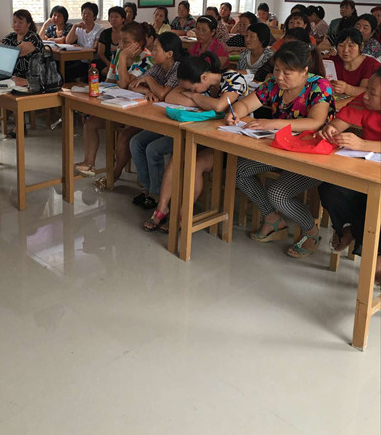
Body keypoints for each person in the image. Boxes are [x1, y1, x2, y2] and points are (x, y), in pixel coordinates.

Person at [228, 40, 336, 258]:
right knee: (239, 171)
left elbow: (315, 122)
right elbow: (246, 104)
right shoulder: (273, 85)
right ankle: (273, 219)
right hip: (280, 149)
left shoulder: (319, 86)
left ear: (304, 71)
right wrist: (236, 113)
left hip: (313, 154)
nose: (279, 77)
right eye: (277, 70)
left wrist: (274, 123)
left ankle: (311, 233)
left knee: (278, 193)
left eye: (287, 73)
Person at [137, 52, 248, 230]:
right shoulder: (202, 82)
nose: (192, 92)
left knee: (195, 164)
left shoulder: (234, 79)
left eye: (193, 88)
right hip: (205, 134)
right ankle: (162, 209)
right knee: (177, 156)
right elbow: (171, 97)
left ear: (204, 77)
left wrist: (195, 97)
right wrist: (205, 102)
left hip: (232, 142)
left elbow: (220, 106)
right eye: (190, 90)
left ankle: (182, 215)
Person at [93, 32, 185, 200]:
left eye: (156, 49)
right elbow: (131, 86)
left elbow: (164, 94)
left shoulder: (178, 68)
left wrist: (149, 81)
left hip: (176, 124)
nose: (152, 51)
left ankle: (156, 194)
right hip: (159, 117)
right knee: (135, 142)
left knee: (150, 148)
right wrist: (147, 91)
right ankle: (147, 189)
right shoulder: (158, 67)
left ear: (169, 54)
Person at [318, 68, 381, 284]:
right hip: (365, 171)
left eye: (372, 93)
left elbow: (363, 145)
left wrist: (363, 144)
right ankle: (356, 232)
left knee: (376, 203)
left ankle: (365, 244)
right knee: (330, 189)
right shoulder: (363, 102)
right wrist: (331, 130)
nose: (365, 95)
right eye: (367, 89)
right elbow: (338, 123)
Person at [75, 22, 153, 181]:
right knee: (90, 123)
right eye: (120, 41)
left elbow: (124, 83)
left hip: (138, 111)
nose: (121, 45)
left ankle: (114, 174)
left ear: (138, 44)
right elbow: (110, 81)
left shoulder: (147, 59)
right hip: (117, 105)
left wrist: (123, 58)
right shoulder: (118, 53)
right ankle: (89, 163)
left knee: (124, 137)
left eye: (126, 42)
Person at [0, 9, 44, 122]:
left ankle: (19, 127)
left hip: (32, 78)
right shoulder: (11, 36)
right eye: (14, 22)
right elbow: (0, 49)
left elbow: (16, 52)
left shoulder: (33, 38)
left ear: (28, 24)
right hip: (12, 76)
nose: (16, 25)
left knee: (7, 89)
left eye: (20, 22)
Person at [254, 28, 325, 83]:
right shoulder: (281, 55)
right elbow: (259, 73)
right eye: (285, 44)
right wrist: (272, 77)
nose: (287, 49)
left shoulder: (310, 59)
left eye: (287, 73)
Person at [329, 28, 380, 97]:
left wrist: (347, 89)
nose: (345, 50)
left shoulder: (371, 65)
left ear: (361, 46)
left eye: (351, 46)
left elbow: (367, 91)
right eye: (341, 45)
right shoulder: (330, 62)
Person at [65, 2, 104, 81]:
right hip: (79, 59)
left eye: (89, 14)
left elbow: (95, 48)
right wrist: (74, 27)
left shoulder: (99, 29)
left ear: (94, 16)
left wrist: (80, 48)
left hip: (92, 61)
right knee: (63, 68)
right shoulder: (79, 28)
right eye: (84, 13)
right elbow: (68, 41)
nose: (85, 16)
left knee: (69, 72)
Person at [97, 6, 126, 77]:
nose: (113, 19)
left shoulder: (128, 33)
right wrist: (109, 64)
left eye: (116, 17)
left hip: (123, 62)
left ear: (123, 19)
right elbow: (100, 53)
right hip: (107, 62)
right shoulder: (105, 33)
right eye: (111, 17)